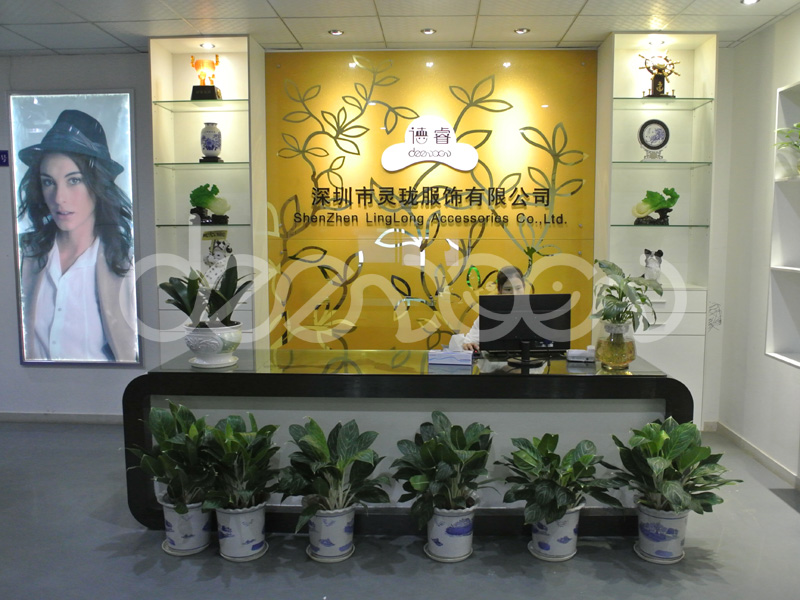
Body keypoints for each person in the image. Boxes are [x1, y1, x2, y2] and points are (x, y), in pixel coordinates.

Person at [17, 109, 137, 362]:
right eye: (48, 182)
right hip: (29, 387)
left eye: (74, 180)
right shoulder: (24, 255)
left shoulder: (125, 262)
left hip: (104, 387)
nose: (59, 198)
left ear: (97, 184)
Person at [460, 265, 532, 352]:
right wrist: (468, 344)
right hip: (494, 360)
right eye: (508, 289)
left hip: (529, 360)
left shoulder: (534, 312)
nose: (514, 294)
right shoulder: (489, 313)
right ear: (499, 290)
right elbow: (469, 341)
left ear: (524, 287)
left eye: (518, 288)